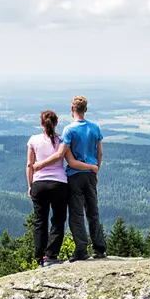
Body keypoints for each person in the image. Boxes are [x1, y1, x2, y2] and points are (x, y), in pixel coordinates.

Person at [34, 95, 105, 262]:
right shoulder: (95, 128)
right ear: (85, 110)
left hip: (74, 175)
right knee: (93, 212)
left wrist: (40, 164)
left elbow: (61, 154)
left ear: (72, 109)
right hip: (91, 175)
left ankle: (81, 249)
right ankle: (99, 248)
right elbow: (99, 153)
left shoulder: (69, 130)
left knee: (76, 214)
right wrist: (95, 170)